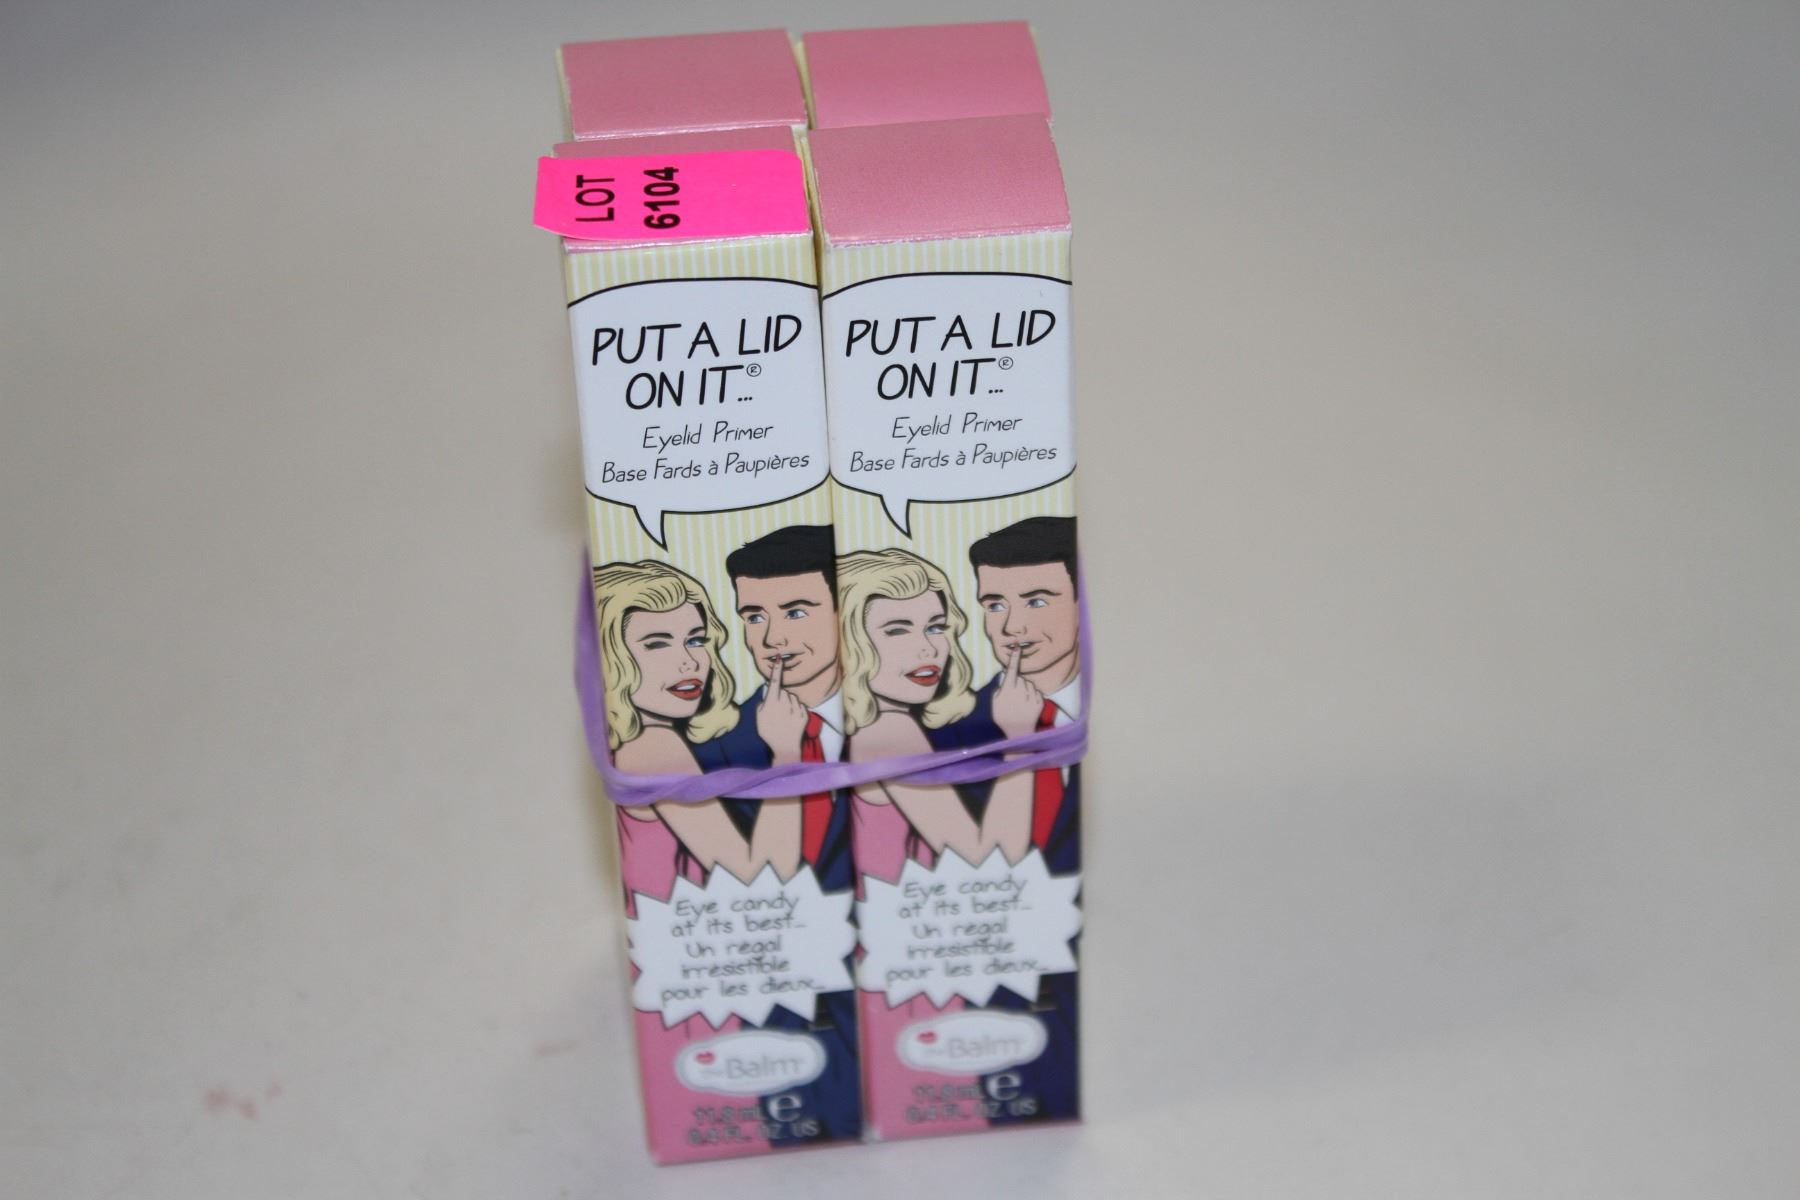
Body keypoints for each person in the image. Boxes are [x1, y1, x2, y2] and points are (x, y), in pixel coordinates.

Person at [593, 559, 798, 884]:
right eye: (657, 644)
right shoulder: (652, 745)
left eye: (695, 640)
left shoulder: (654, 737)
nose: (689, 662)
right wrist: (786, 753)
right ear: (613, 655)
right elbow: (760, 875)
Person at [837, 548, 1035, 867]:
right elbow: (988, 859)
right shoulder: (889, 729)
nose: (928, 649)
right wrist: (1020, 737)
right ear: (850, 641)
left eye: (935, 627)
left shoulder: (876, 724)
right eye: (897, 630)